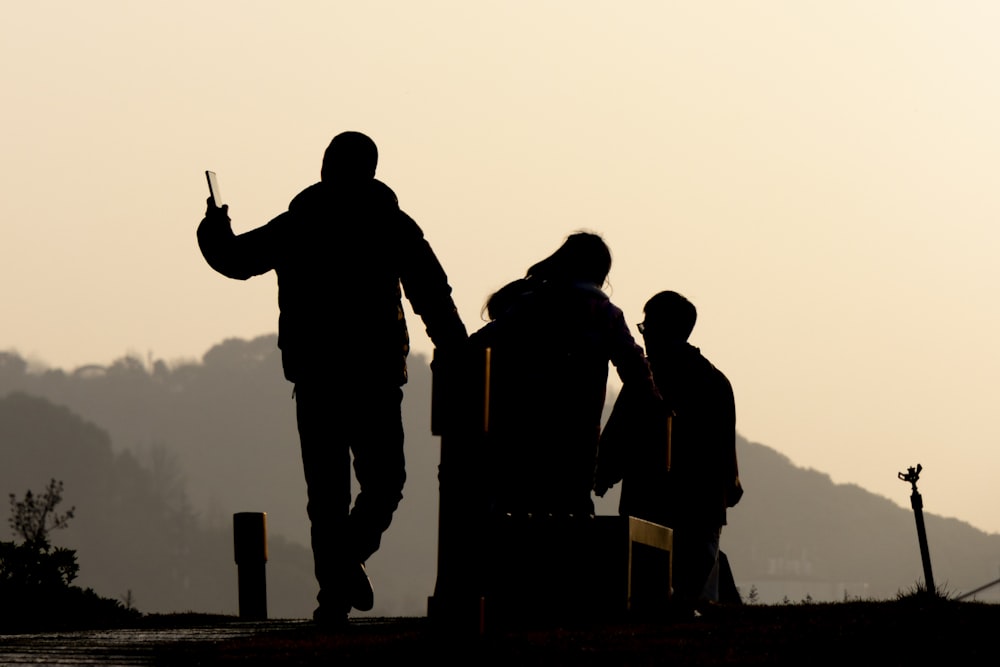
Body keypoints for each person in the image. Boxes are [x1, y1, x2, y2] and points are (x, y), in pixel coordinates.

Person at [197, 131, 468, 625]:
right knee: (384, 484)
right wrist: (458, 348)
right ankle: (339, 584)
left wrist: (214, 227)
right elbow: (432, 292)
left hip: (319, 376)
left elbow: (235, 260)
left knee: (328, 496)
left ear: (326, 166)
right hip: (375, 374)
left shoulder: (300, 225)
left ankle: (336, 586)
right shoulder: (392, 224)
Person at [471, 232, 658, 517]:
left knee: (515, 516)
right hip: (577, 441)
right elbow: (636, 372)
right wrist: (659, 411)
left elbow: (476, 346)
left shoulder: (532, 304)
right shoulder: (605, 314)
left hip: (520, 435)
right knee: (570, 522)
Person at [596, 290, 741, 616]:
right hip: (703, 509)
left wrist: (600, 474)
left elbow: (618, 435)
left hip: (648, 506)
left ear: (660, 328)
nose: (644, 336)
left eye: (646, 327)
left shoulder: (649, 378)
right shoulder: (716, 381)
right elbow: (726, 451)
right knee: (693, 604)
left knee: (647, 603)